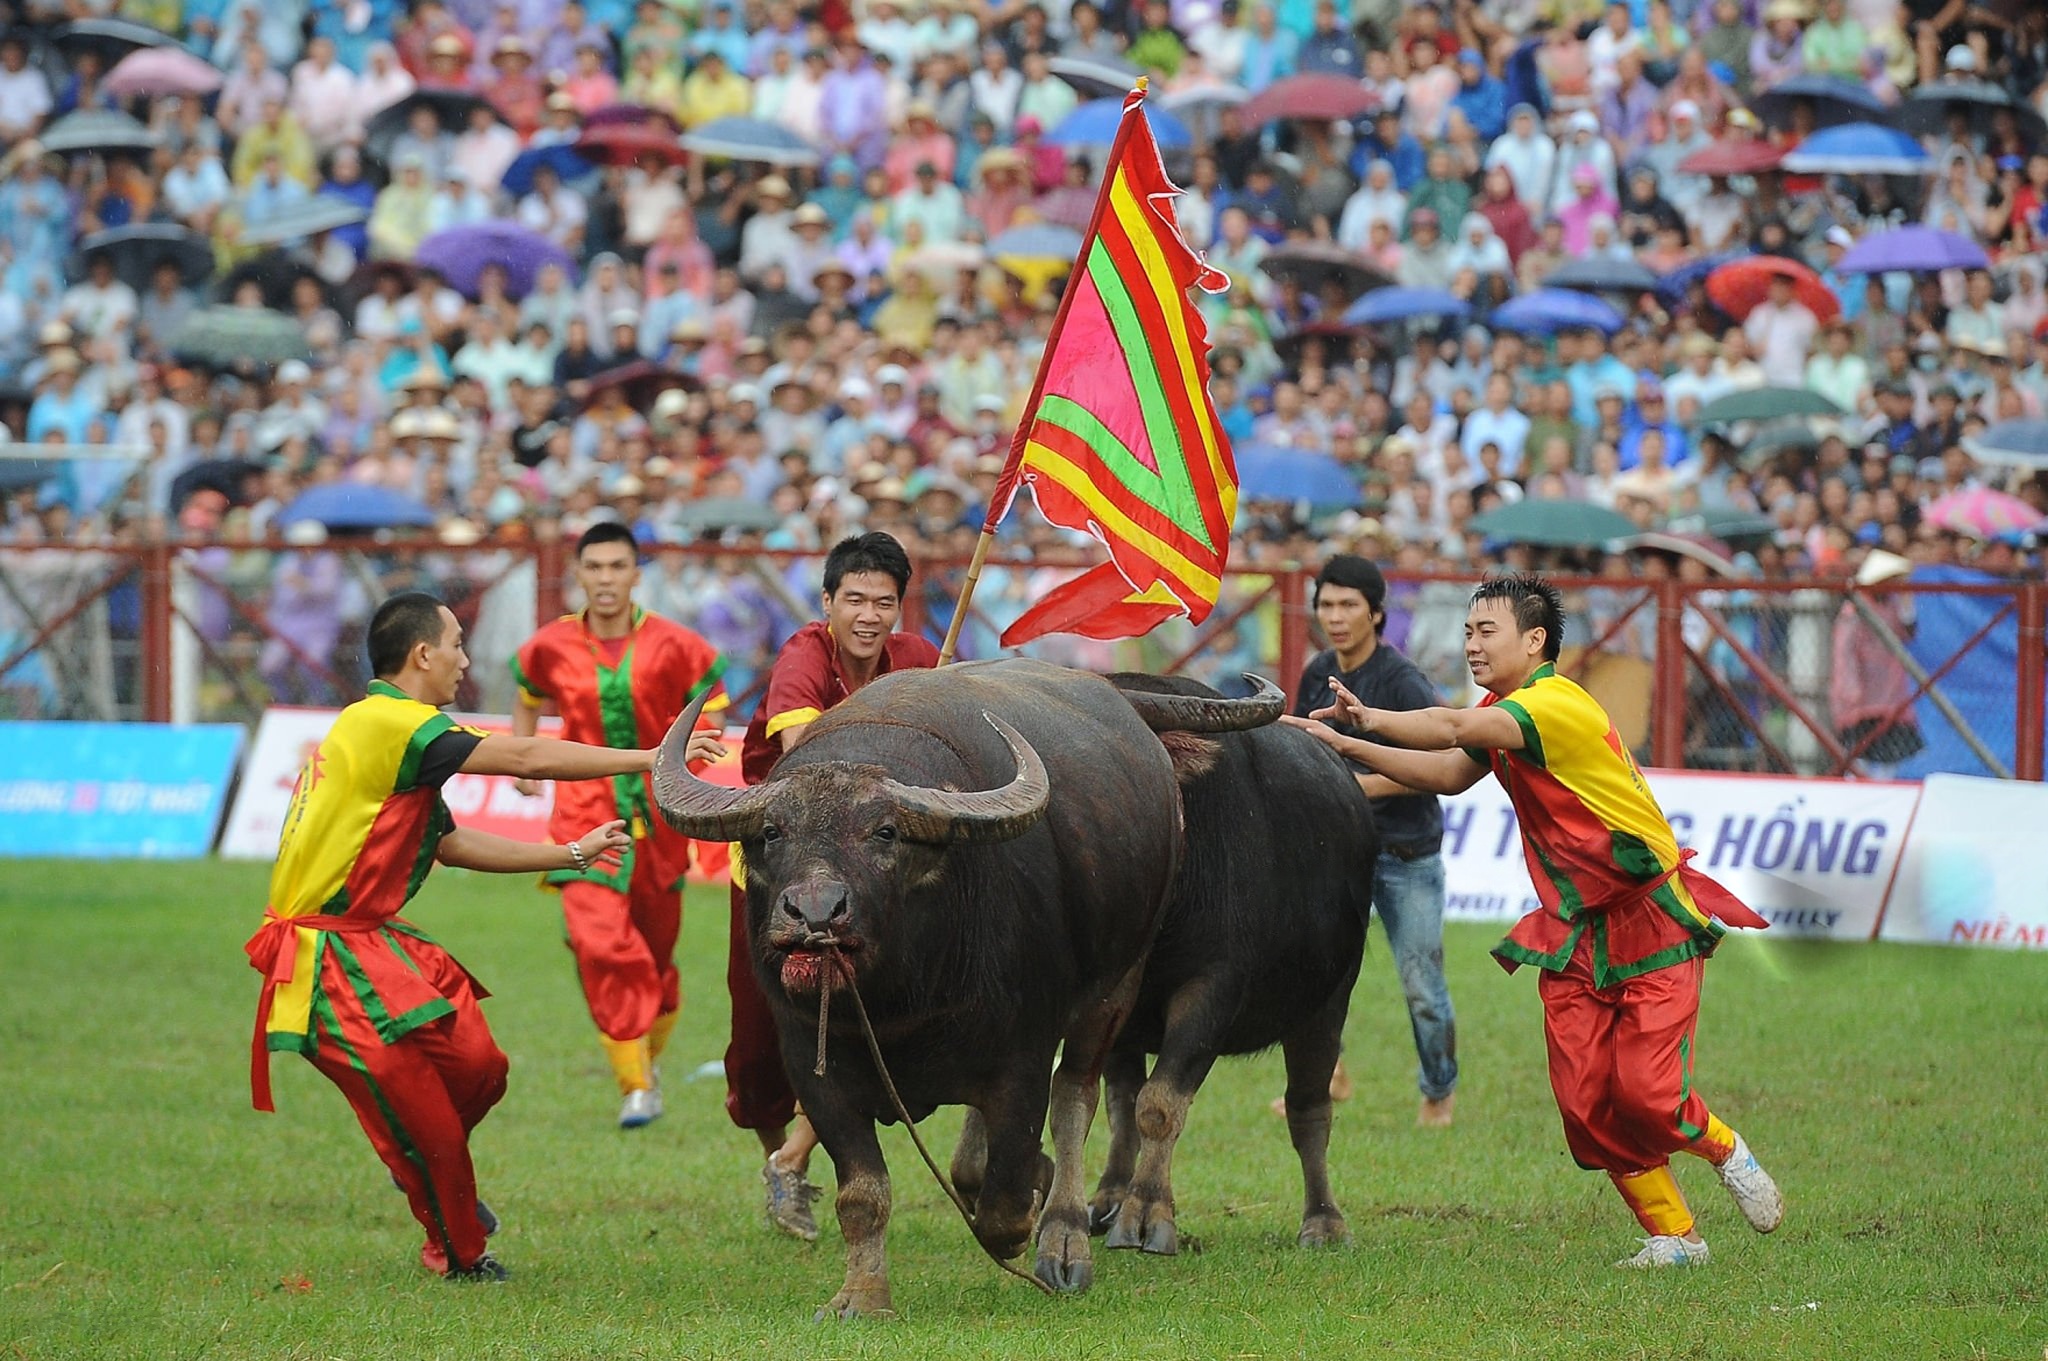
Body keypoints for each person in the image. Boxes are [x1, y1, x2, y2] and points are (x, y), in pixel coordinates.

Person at [1282, 574, 1785, 1269]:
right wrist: (1343, 747)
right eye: (1467, 631)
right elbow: (1450, 773)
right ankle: (1676, 1237)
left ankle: (1726, 1150)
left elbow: (1451, 728)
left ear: (1534, 640)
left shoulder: (1553, 704)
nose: (1472, 644)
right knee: (1584, 1102)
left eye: (1486, 631)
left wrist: (1364, 721)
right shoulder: (1502, 709)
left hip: (1649, 919)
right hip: (1574, 930)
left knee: (1649, 1094)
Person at [245, 592, 663, 1282]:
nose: (465, 660)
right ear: (422, 654)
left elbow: (450, 843)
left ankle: (419, 1161)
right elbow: (524, 756)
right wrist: (648, 758)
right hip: (324, 958)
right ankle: (458, 1251)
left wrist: (571, 852)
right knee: (432, 1130)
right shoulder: (390, 723)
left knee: (481, 1068)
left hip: (371, 941)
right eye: (458, 644)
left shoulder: (386, 728)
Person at [726, 531, 939, 1240]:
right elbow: (807, 762)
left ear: (899, 607)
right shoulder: (803, 658)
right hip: (779, 869)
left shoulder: (920, 660)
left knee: (870, 1014)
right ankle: (780, 1158)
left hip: (876, 874)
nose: (869, 615)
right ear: (827, 603)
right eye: (855, 599)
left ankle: (793, 1159)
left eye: (884, 602)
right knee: (758, 1043)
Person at [510, 521, 732, 1128]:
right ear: (577, 574)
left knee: (657, 958)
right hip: (583, 814)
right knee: (600, 940)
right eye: (594, 567)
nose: (605, 579)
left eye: (616, 567)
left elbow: (712, 713)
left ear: (636, 574)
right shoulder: (550, 645)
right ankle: (635, 1085)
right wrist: (524, 761)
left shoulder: (676, 644)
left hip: (660, 820)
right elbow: (526, 695)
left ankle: (646, 1065)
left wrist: (691, 759)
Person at [1271, 556, 1458, 1127]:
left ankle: (1438, 1091)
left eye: (1348, 605)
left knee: (1421, 984)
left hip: (1406, 852)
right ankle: (1327, 1076)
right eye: (1326, 605)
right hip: (1336, 852)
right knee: (1312, 973)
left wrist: (1354, 788)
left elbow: (1440, 767)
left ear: (1376, 613)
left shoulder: (1402, 681)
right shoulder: (1317, 672)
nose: (1335, 616)